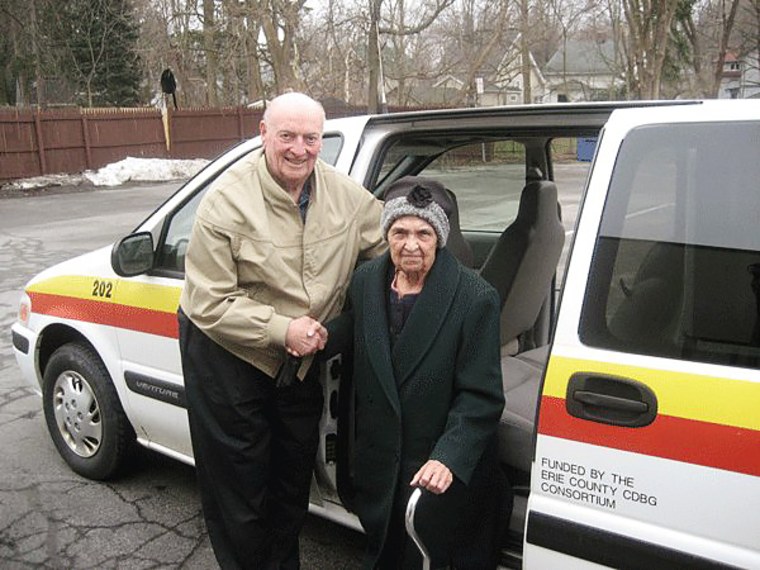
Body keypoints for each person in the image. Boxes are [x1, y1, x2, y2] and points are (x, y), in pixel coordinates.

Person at [177, 92, 386, 570]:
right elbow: (208, 300)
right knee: (242, 495)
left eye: (310, 138)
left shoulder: (346, 197)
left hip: (301, 359)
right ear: (263, 134)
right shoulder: (226, 201)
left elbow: (391, 247)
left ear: (321, 140)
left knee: (290, 485)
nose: (299, 149)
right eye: (287, 136)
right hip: (228, 354)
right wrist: (281, 328)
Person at [329, 176, 511, 569]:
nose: (411, 244)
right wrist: (314, 336)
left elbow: (481, 397)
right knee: (383, 551)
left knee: (425, 554)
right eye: (400, 232)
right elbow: (361, 329)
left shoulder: (474, 298)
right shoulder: (366, 280)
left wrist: (448, 457)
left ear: (439, 238)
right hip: (381, 459)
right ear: (386, 235)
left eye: (423, 233)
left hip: (431, 464)